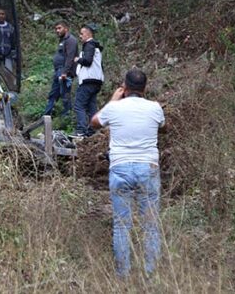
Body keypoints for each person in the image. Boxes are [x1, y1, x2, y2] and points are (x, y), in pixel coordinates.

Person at [90, 68, 165, 277]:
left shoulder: (115, 108)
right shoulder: (155, 108)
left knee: (122, 225)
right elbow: (163, 126)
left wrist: (114, 99)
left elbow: (94, 122)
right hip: (148, 168)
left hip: (120, 167)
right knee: (151, 225)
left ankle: (122, 275)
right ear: (145, 88)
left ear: (125, 87)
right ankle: (151, 275)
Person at [42, 21, 77, 117]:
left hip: (64, 71)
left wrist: (65, 72)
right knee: (53, 93)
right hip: (58, 71)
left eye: (59, 28)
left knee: (65, 94)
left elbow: (70, 57)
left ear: (66, 28)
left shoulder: (71, 40)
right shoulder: (62, 40)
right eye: (56, 28)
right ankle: (46, 115)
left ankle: (67, 117)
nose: (57, 30)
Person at [73, 24, 104, 137]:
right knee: (91, 107)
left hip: (88, 81)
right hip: (96, 81)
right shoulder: (96, 48)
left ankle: (81, 130)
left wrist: (78, 59)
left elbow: (88, 61)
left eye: (82, 33)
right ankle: (92, 131)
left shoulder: (89, 45)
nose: (80, 36)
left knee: (79, 105)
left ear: (88, 34)